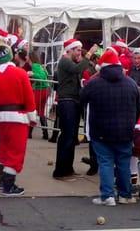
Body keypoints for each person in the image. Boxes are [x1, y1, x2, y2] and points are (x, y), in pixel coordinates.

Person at [80, 49, 140, 206]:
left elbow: (82, 98)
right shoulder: (131, 83)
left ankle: (107, 196)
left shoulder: (94, 83)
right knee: (123, 163)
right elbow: (139, 107)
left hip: (101, 130)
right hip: (125, 131)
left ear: (102, 68)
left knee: (105, 162)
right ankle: (125, 195)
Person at [0, 44, 36, 196]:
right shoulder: (20, 73)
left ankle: (2, 181)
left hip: (1, 116)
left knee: (5, 146)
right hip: (18, 116)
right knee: (16, 150)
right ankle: (8, 185)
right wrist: (32, 116)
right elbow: (28, 96)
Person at [52, 39, 97, 180]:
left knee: (71, 138)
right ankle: (60, 171)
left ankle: (68, 168)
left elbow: (78, 70)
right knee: (67, 136)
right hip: (67, 102)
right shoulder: (65, 61)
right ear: (69, 50)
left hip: (73, 101)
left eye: (80, 50)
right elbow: (77, 69)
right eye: (77, 50)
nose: (79, 53)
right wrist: (89, 53)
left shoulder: (71, 62)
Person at [28, 52, 50, 140]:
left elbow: (41, 77)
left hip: (40, 90)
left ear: (30, 57)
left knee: (33, 110)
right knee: (41, 112)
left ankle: (29, 133)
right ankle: (45, 134)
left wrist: (32, 74)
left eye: (27, 56)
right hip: (45, 90)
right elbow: (46, 75)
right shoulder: (39, 65)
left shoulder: (34, 66)